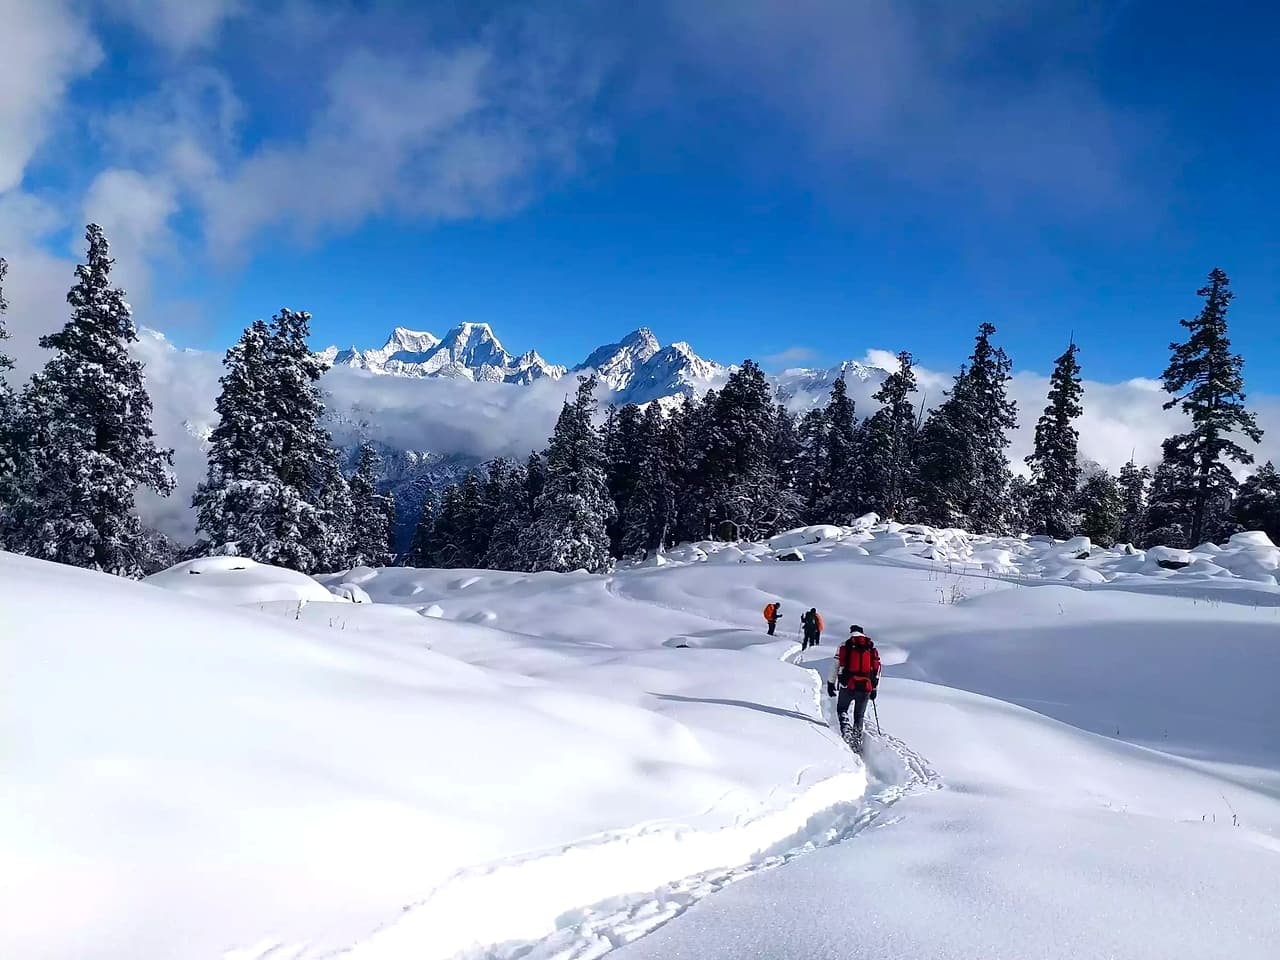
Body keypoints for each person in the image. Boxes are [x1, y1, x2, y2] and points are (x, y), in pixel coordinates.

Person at [826, 624, 881, 749]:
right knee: (859, 715)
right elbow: (877, 669)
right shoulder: (871, 647)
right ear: (863, 633)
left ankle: (846, 731)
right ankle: (857, 741)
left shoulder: (844, 645)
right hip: (866, 686)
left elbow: (836, 665)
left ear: (851, 632)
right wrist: (874, 688)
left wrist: (831, 683)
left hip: (847, 685)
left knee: (842, 710)